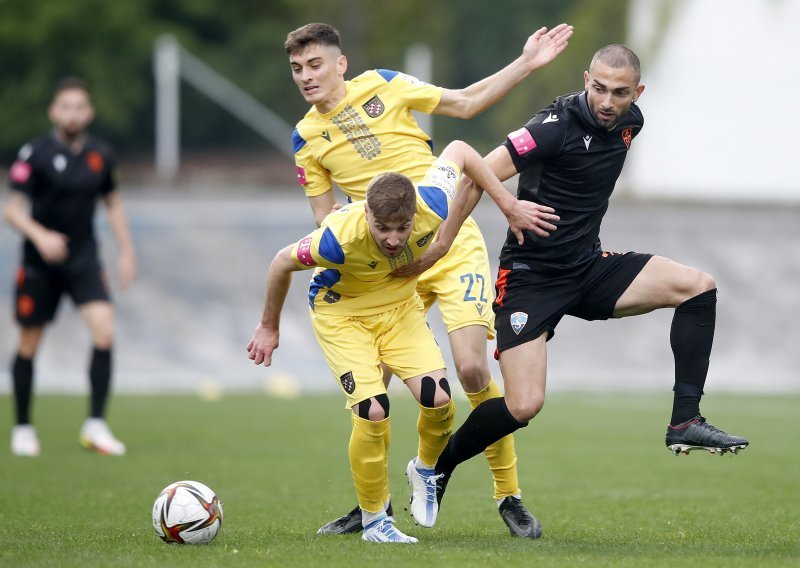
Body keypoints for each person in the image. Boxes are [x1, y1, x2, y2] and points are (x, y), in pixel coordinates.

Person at [394, 44, 750, 528]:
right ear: (586, 79)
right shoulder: (554, 126)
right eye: (598, 88)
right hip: (531, 279)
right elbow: (476, 173)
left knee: (698, 287)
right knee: (524, 404)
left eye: (619, 93)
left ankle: (684, 420)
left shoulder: (632, 122)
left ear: (637, 93)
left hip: (586, 268)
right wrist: (450, 240)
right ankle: (435, 468)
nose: (606, 101)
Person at [285, 20, 572, 539]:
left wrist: (527, 62)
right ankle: (373, 506)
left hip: (451, 235)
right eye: (298, 69)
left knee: (472, 372)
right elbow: (326, 220)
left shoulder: (387, 85)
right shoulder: (305, 138)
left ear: (340, 63)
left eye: (316, 65)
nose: (307, 77)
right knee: (375, 387)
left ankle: (508, 495)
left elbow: (463, 104)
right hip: (392, 257)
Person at [247, 140, 538, 543]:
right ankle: (374, 520)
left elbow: (459, 150)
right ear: (365, 212)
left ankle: (425, 468)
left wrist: (443, 243)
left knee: (440, 400)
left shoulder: (432, 201)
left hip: (399, 309)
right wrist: (268, 326)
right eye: (382, 229)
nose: (394, 239)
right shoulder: (337, 238)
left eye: (402, 228)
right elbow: (281, 262)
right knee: (372, 409)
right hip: (343, 314)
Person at [4, 77, 136, 457]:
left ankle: (95, 425)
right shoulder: (36, 153)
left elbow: (112, 203)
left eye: (80, 107)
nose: (73, 113)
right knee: (30, 342)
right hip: (39, 263)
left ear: (89, 112)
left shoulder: (100, 155)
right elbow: (12, 210)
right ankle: (24, 427)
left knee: (104, 331)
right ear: (53, 111)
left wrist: (126, 251)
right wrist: (40, 235)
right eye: (66, 107)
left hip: (82, 259)